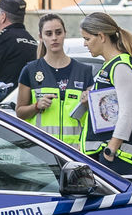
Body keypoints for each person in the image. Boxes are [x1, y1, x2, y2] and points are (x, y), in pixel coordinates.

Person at [75, 11, 132, 175]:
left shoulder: (120, 66)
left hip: (115, 156)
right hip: (105, 153)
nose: (85, 44)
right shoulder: (110, 65)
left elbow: (127, 112)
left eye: (87, 39)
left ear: (101, 36)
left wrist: (110, 151)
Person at [15, 14, 94, 148]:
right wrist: (36, 106)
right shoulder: (30, 70)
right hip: (42, 149)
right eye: (48, 33)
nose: (54, 38)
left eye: (58, 32)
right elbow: (19, 112)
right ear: (40, 37)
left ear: (65, 33)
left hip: (75, 151)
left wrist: (88, 103)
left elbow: (94, 114)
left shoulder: (83, 71)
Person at [0, 0, 37, 89]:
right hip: (25, 101)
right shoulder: (33, 42)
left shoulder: (0, 39)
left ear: (3, 17)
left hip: (0, 101)